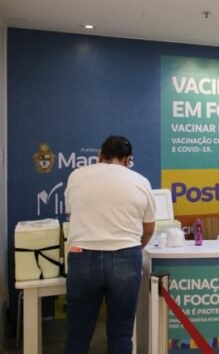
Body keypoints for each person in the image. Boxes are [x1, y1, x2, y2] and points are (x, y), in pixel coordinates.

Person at [63, 135, 156, 354]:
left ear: (99, 155)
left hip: (82, 256)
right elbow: (149, 228)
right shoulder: (141, 181)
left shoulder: (76, 176)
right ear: (128, 160)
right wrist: (136, 246)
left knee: (78, 333)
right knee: (121, 333)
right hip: (126, 256)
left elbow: (72, 214)